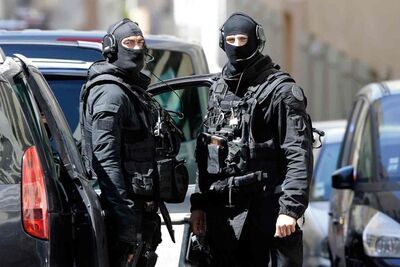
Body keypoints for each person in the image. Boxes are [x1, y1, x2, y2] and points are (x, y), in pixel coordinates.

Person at [190, 12, 314, 266]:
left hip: (265, 214)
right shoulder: (219, 88)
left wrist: (290, 211)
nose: (237, 46)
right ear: (222, 42)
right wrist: (199, 204)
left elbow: (298, 153)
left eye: (243, 39)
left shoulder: (280, 91)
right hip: (221, 218)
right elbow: (208, 153)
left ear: (257, 41)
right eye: (231, 39)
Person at [80, 18, 161, 266]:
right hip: (123, 214)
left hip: (136, 211)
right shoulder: (112, 94)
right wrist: (126, 225)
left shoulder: (128, 88)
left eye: (140, 42)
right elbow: (105, 160)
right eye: (129, 43)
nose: (136, 49)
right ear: (112, 48)